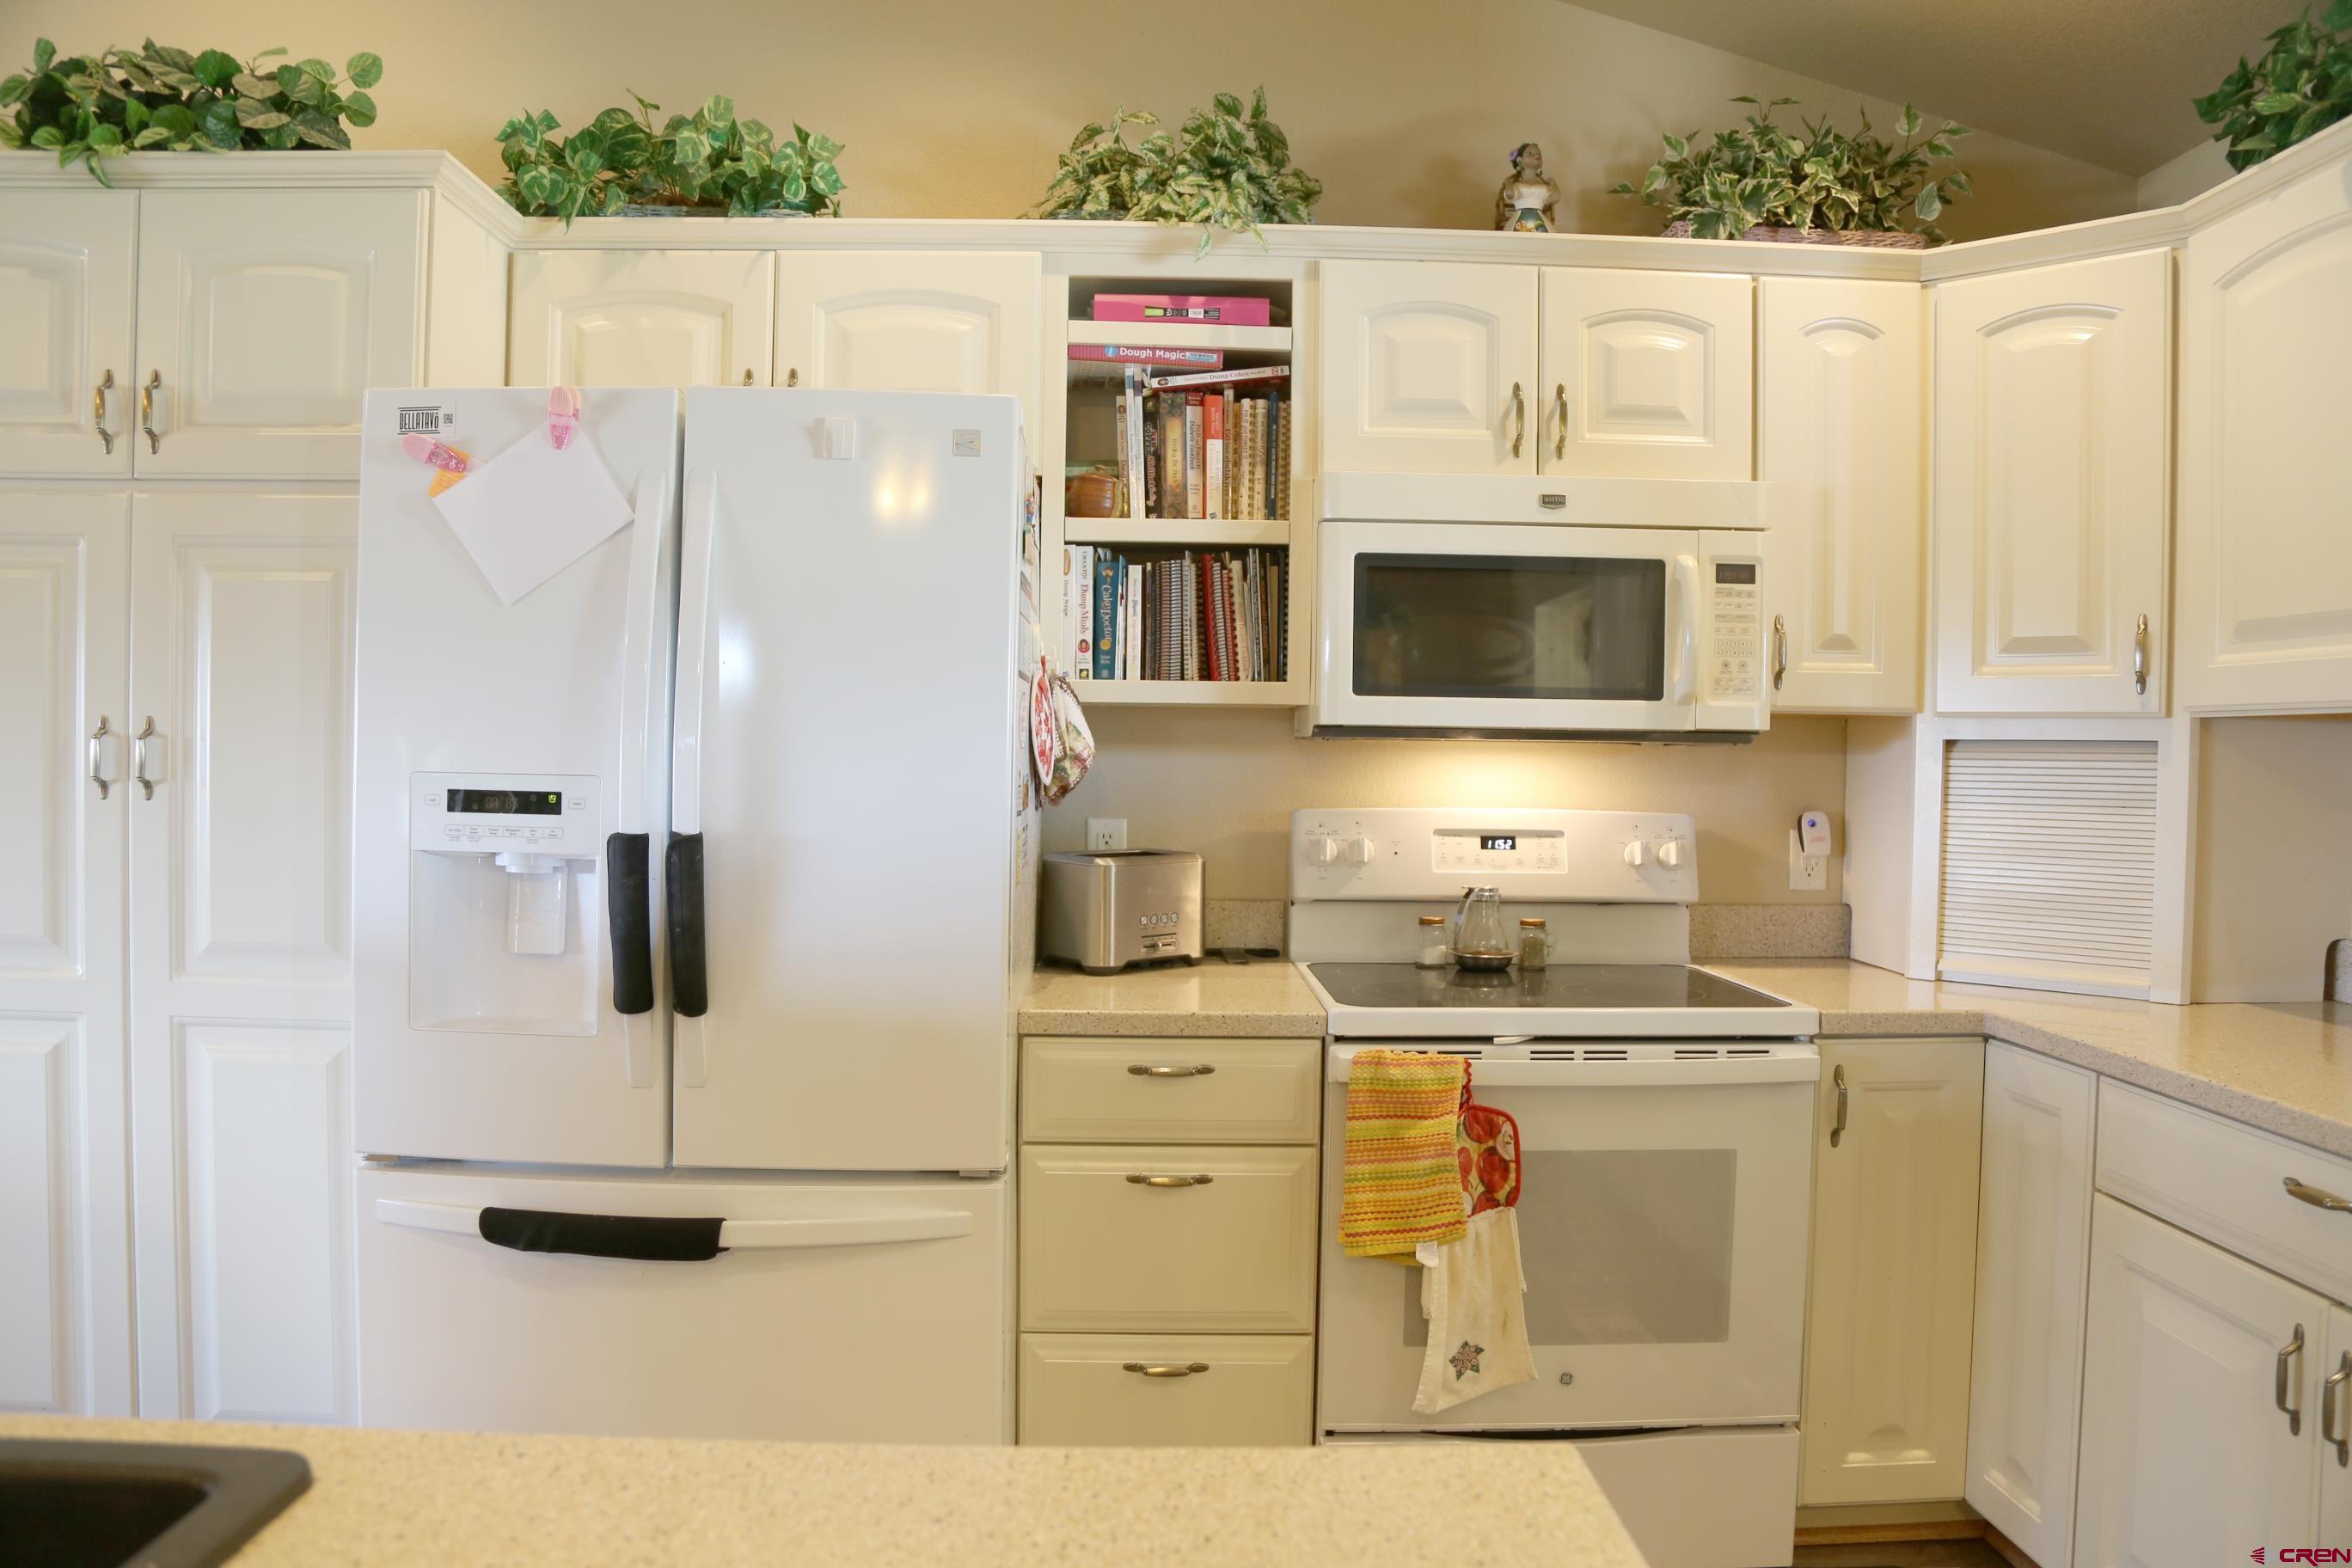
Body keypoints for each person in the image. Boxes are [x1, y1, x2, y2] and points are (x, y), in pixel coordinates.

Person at [1496, 142, 1560, 233]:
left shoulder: (1544, 187)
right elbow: (1509, 194)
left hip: (1541, 225)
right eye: (1529, 154)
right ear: (1519, 161)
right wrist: (1507, 182)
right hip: (1519, 224)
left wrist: (1553, 183)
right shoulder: (1517, 186)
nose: (1536, 156)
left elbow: (1555, 197)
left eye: (1539, 154)